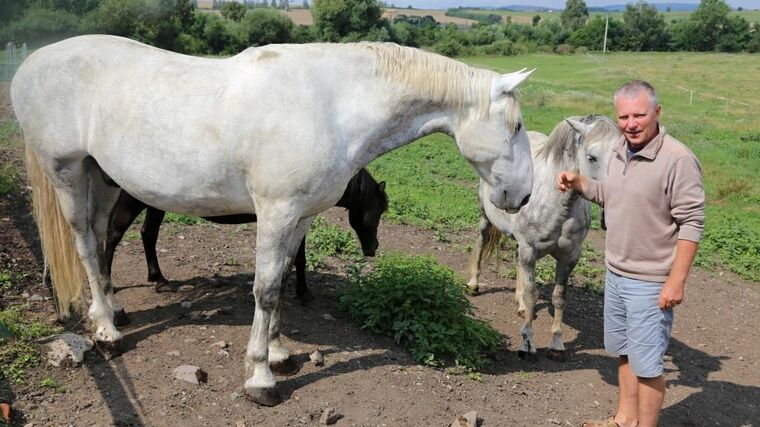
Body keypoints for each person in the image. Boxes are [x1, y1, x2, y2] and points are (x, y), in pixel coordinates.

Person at [557, 80, 705, 427]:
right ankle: (624, 419)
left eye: (639, 114)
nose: (631, 123)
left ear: (657, 112)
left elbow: (692, 223)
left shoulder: (677, 160)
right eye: (623, 116)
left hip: (650, 283)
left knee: (649, 366)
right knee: (624, 352)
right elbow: (614, 195)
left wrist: (676, 282)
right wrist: (579, 182)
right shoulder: (620, 151)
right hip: (617, 275)